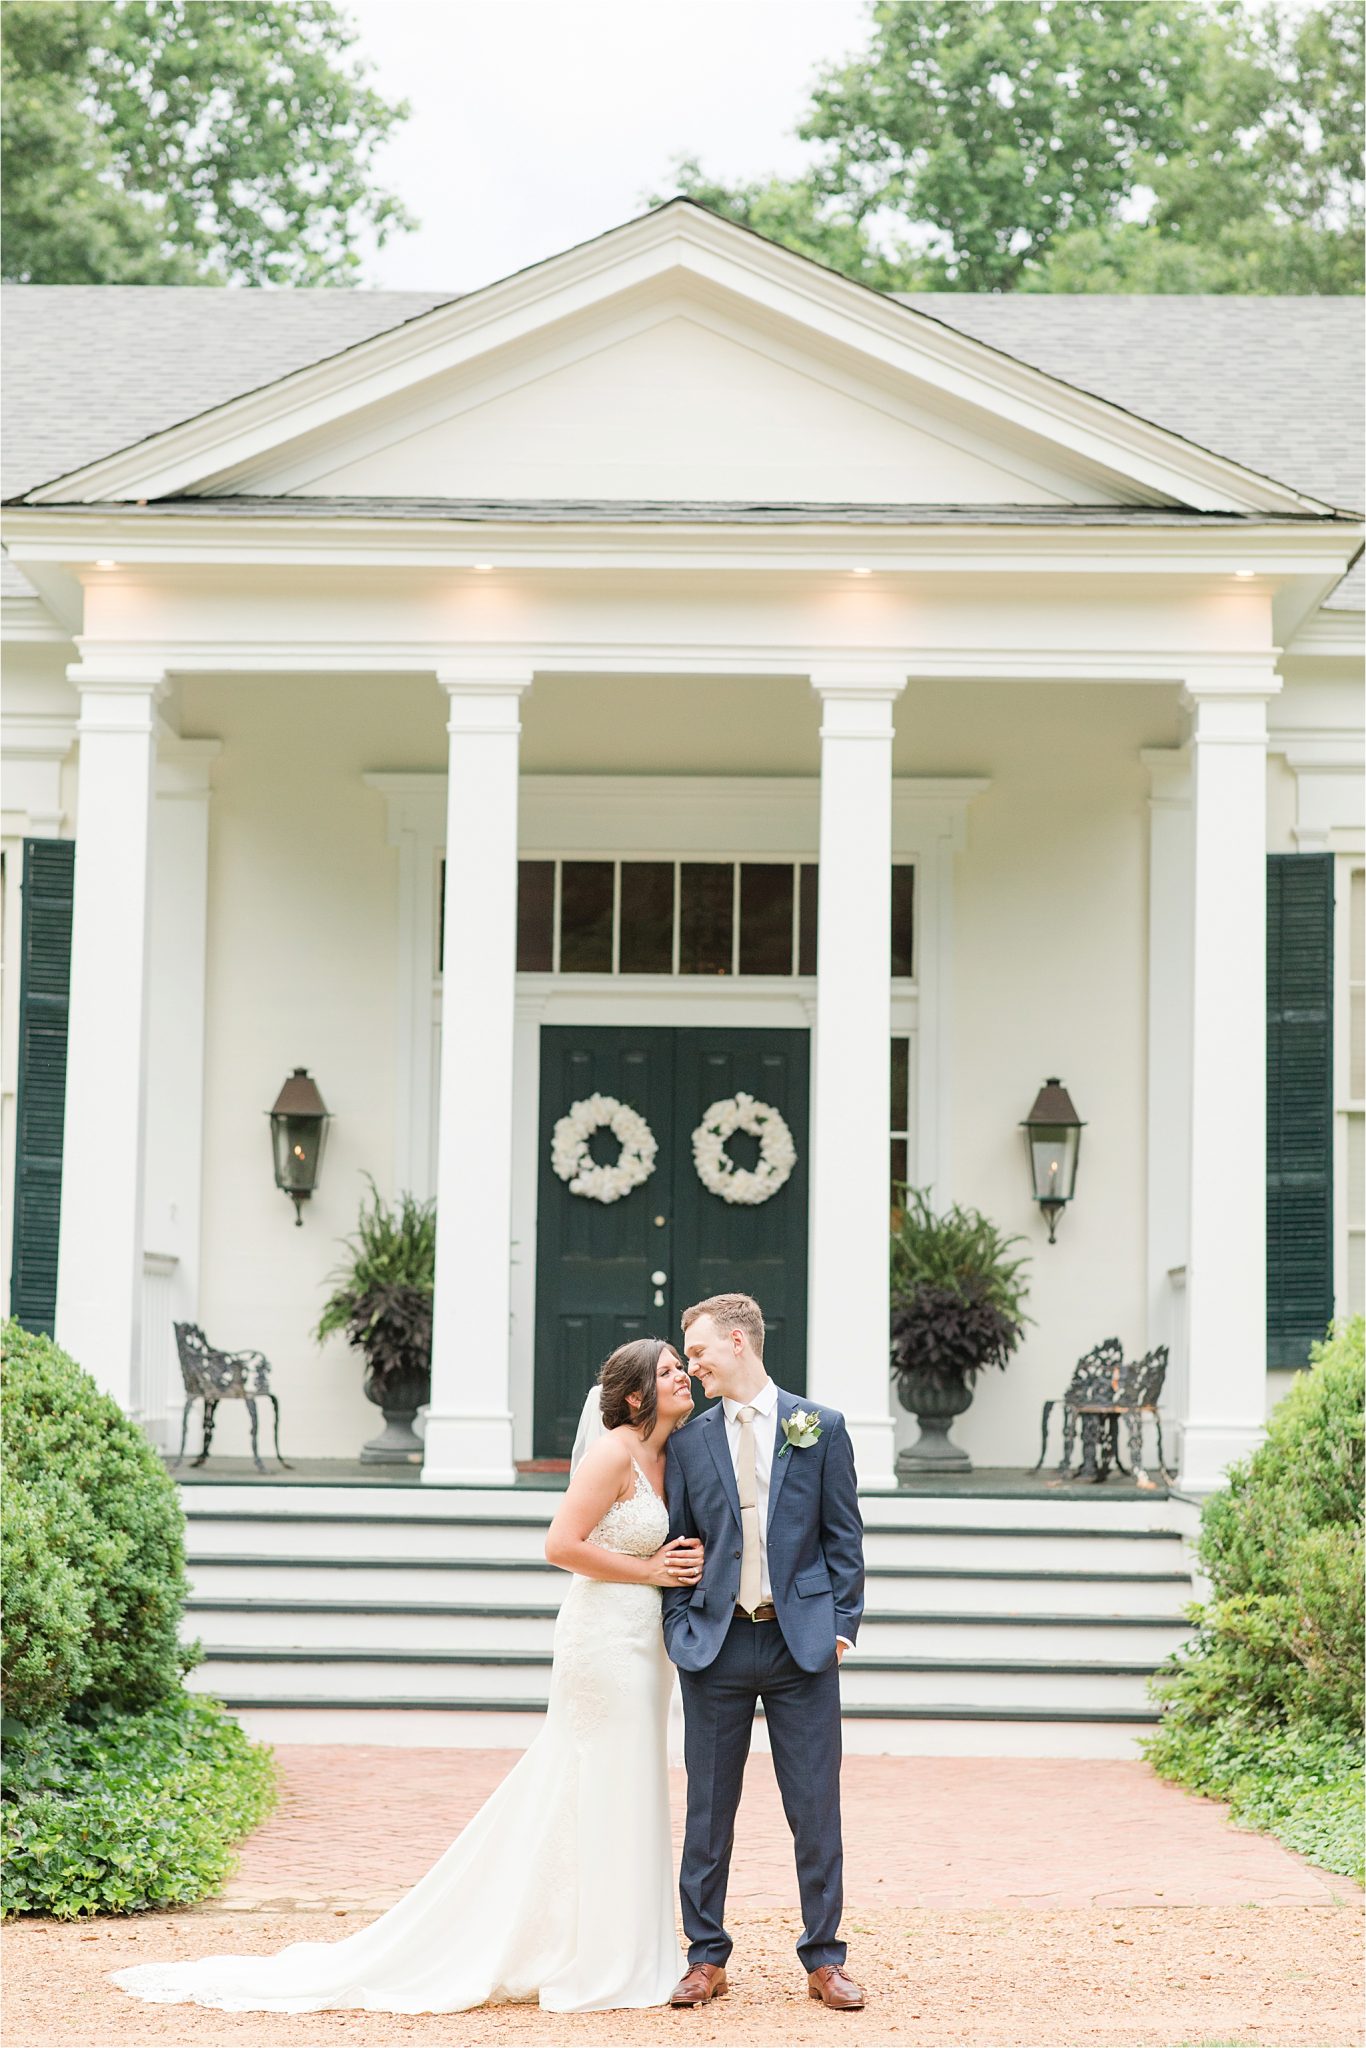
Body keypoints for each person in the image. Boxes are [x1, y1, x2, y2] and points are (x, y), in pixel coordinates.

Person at [110, 1339, 700, 2017]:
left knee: (629, 1782)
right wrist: (652, 1571)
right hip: (602, 1640)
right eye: (668, 1371)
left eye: (682, 1368)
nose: (682, 1376)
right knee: (597, 1778)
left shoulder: (672, 1452)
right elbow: (560, 1544)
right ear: (635, 1395)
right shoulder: (611, 1452)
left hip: (646, 1644)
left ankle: (618, 1942)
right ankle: (595, 1958)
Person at [663, 1292, 867, 2012]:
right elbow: (677, 1543)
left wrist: (843, 1623)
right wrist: (680, 1623)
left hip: (799, 1643)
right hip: (715, 1645)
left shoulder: (820, 1427)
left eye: (698, 1352)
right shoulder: (687, 1441)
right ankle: (705, 1957)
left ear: (738, 1342)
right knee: (707, 1811)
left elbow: (843, 1535)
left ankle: (824, 1959)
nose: (692, 1368)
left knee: (814, 1808)